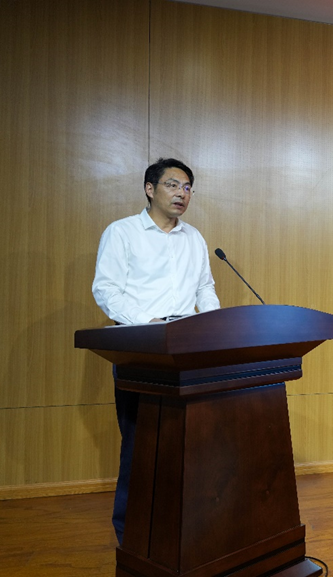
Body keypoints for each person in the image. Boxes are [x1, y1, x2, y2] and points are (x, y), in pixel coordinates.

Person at [92, 158, 220, 544]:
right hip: (141, 350)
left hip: (188, 347)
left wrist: (214, 324)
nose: (182, 194)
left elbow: (204, 288)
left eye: (188, 187)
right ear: (150, 189)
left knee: (191, 443)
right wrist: (148, 323)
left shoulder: (193, 238)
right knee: (141, 444)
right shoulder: (122, 232)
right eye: (173, 185)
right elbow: (106, 290)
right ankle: (131, 533)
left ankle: (186, 527)